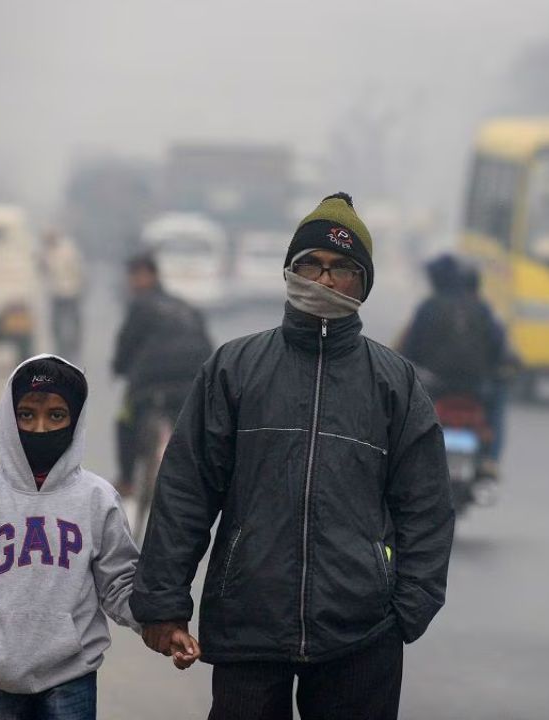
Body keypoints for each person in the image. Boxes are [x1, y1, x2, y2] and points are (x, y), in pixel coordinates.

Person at [130, 193, 455, 720]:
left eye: (342, 269)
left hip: (361, 634)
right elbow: (186, 489)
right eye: (310, 265)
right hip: (248, 624)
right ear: (290, 272)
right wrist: (163, 604)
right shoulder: (234, 369)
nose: (324, 281)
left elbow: (427, 506)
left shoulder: (394, 383)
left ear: (363, 284)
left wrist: (407, 610)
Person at [0, 355, 139, 720]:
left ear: (75, 420)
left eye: (56, 415)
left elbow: (118, 584)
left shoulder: (97, 499)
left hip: (72, 673)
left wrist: (159, 623)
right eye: (26, 415)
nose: (39, 428)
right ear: (9, 417)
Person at [110, 251, 213, 498]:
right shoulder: (185, 306)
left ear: (150, 275)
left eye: (137, 275)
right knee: (193, 427)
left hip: (151, 379)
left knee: (125, 418)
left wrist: (118, 368)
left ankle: (127, 481)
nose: (134, 281)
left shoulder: (140, 305)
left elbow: (125, 347)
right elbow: (208, 347)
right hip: (192, 378)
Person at [399, 254, 513, 476]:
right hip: (476, 386)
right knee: (498, 400)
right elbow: (499, 347)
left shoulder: (429, 306)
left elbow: (409, 349)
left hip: (433, 385)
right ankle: (491, 459)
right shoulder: (481, 308)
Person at [41, 230, 86, 359]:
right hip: (56, 292)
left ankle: (74, 345)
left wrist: (79, 285)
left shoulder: (68, 250)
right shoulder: (46, 252)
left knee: (74, 320)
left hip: (71, 290)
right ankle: (60, 346)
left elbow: (78, 268)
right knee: (56, 322)